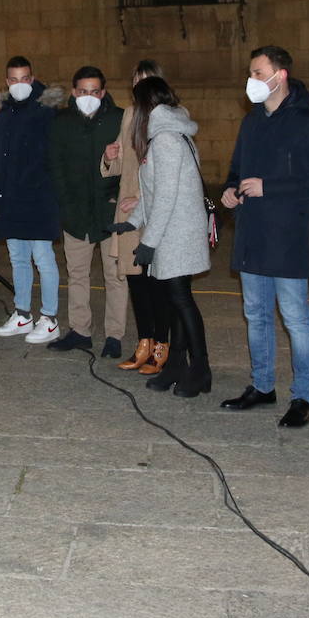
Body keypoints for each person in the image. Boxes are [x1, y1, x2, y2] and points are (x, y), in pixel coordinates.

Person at [219, 45, 309, 427]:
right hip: (252, 233)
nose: (251, 80)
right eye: (250, 73)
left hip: (287, 236)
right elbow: (236, 169)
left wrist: (272, 187)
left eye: (257, 72)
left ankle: (304, 396)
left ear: (279, 75)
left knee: (296, 318)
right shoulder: (251, 121)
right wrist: (231, 189)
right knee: (256, 315)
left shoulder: (308, 121)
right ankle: (263, 385)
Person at [109, 76, 212, 395]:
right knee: (175, 299)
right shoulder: (168, 135)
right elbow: (151, 194)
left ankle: (201, 370)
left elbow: (166, 197)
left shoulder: (166, 139)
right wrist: (131, 222)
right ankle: (178, 364)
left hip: (176, 234)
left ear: (144, 107)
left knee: (181, 301)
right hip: (173, 230)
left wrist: (148, 243)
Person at [47, 66, 126, 355]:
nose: (88, 96)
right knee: (77, 274)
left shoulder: (119, 120)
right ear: (73, 92)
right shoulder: (61, 122)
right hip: (76, 212)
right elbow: (56, 166)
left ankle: (114, 335)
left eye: (94, 91)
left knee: (115, 276)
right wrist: (66, 204)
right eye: (82, 91)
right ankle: (80, 330)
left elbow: (128, 166)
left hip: (109, 213)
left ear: (103, 93)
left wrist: (117, 200)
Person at [0, 56, 66, 342]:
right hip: (9, 199)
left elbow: (54, 156)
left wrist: (44, 188)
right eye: (14, 79)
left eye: (25, 78)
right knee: (17, 258)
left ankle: (50, 318)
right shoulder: (4, 114)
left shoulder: (46, 112)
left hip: (38, 198)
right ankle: (22, 314)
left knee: (43, 259)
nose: (20, 84)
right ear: (7, 82)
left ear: (32, 79)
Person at [102, 60, 167, 374]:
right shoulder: (129, 114)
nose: (139, 86)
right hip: (128, 215)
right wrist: (109, 156)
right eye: (135, 79)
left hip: (157, 214)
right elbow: (120, 165)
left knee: (158, 284)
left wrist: (140, 198)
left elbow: (169, 175)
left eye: (147, 80)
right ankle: (144, 342)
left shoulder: (169, 119)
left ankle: (162, 346)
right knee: (136, 281)